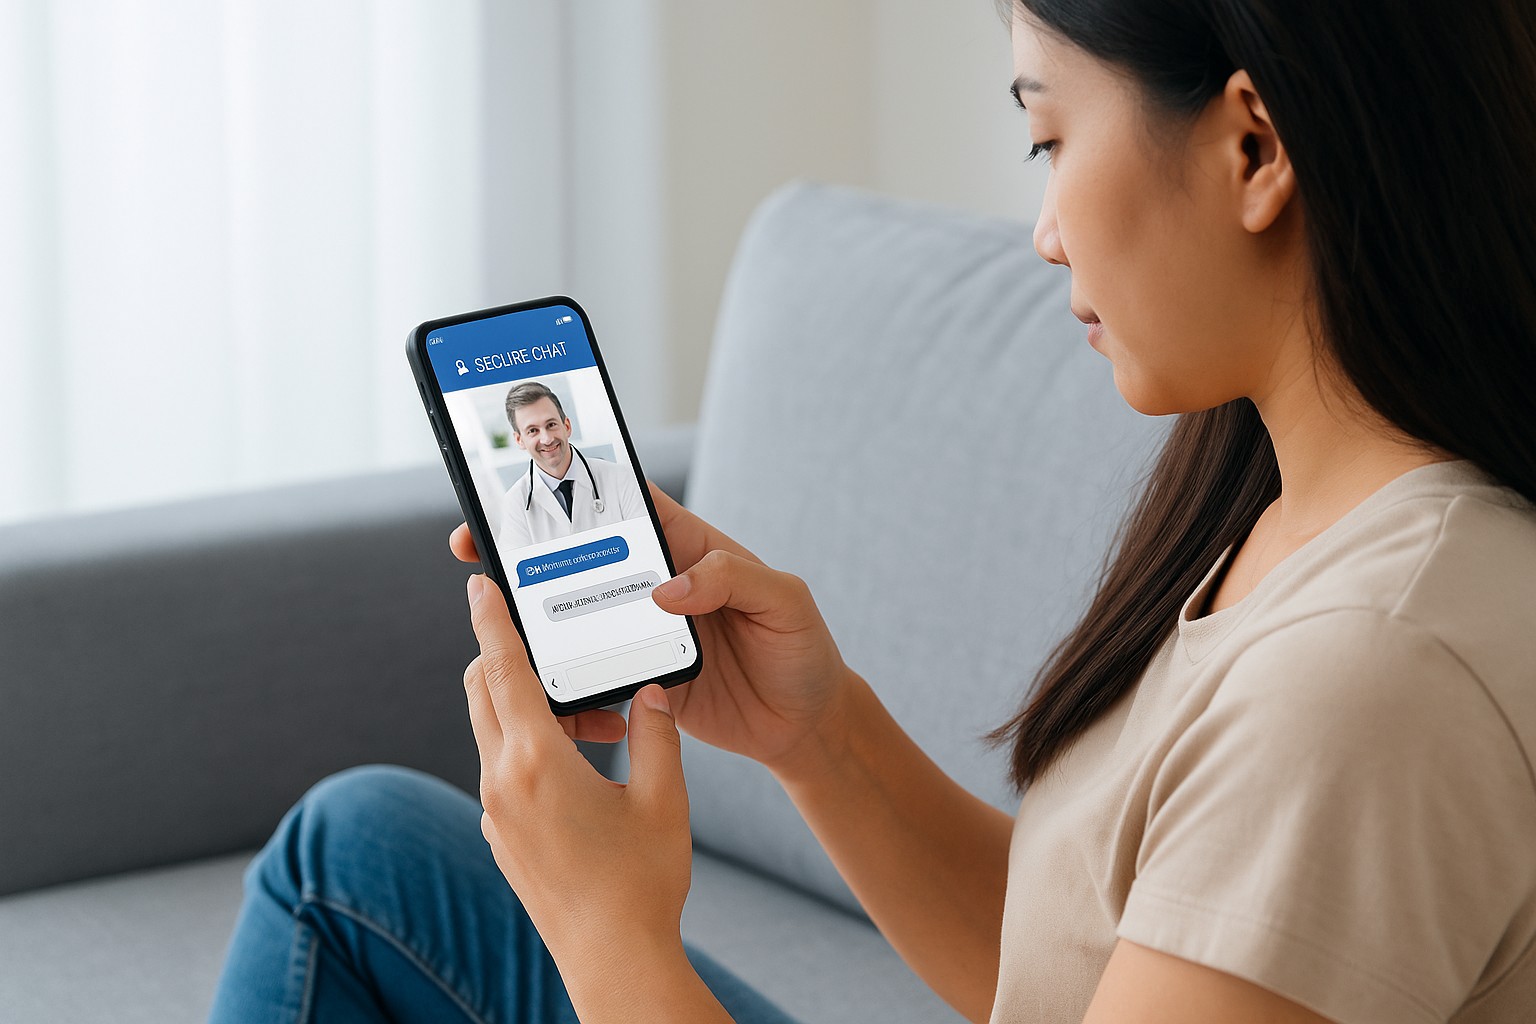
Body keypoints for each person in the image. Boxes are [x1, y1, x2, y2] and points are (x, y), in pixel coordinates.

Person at [209, 1, 1536, 1021]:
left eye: (1049, 134)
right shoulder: (1307, 520)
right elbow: (1103, 966)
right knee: (361, 849)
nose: (1046, 231)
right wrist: (820, 735)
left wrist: (610, 936)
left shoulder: (1370, 680)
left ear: (1254, 148)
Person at [496, 381, 647, 549]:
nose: (547, 439)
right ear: (519, 440)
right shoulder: (515, 503)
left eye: (551, 425)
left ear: (566, 426)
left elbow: (645, 546)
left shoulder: (620, 477)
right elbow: (517, 571)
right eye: (533, 431)